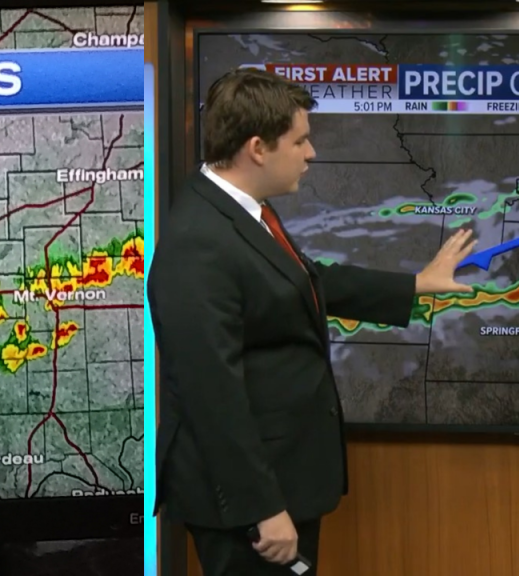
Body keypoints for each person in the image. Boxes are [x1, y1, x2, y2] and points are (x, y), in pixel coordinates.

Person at [148, 68, 478, 575]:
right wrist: (262, 506)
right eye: (300, 140)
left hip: (277, 484)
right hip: (247, 504)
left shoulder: (240, 213)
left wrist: (414, 285)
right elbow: (211, 392)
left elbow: (305, 281)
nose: (311, 152)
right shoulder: (200, 240)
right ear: (258, 148)